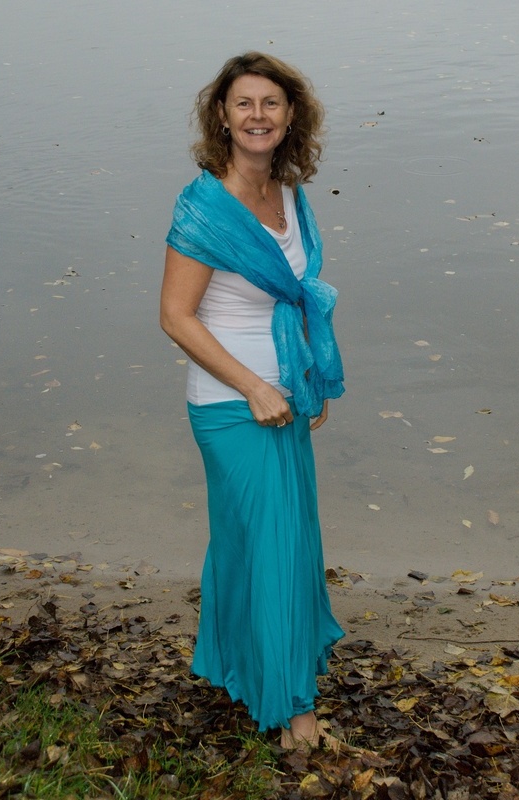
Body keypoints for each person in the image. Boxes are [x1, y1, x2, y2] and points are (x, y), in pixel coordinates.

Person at [160, 52, 345, 749]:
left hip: (285, 395)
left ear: (291, 115)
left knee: (273, 541)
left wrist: (307, 377)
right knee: (273, 548)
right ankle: (295, 711)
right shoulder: (204, 207)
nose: (258, 115)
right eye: (244, 103)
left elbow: (297, 297)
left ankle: (241, 666)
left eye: (271, 103)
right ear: (222, 116)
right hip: (233, 405)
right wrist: (256, 386)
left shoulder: (289, 194)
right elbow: (176, 317)